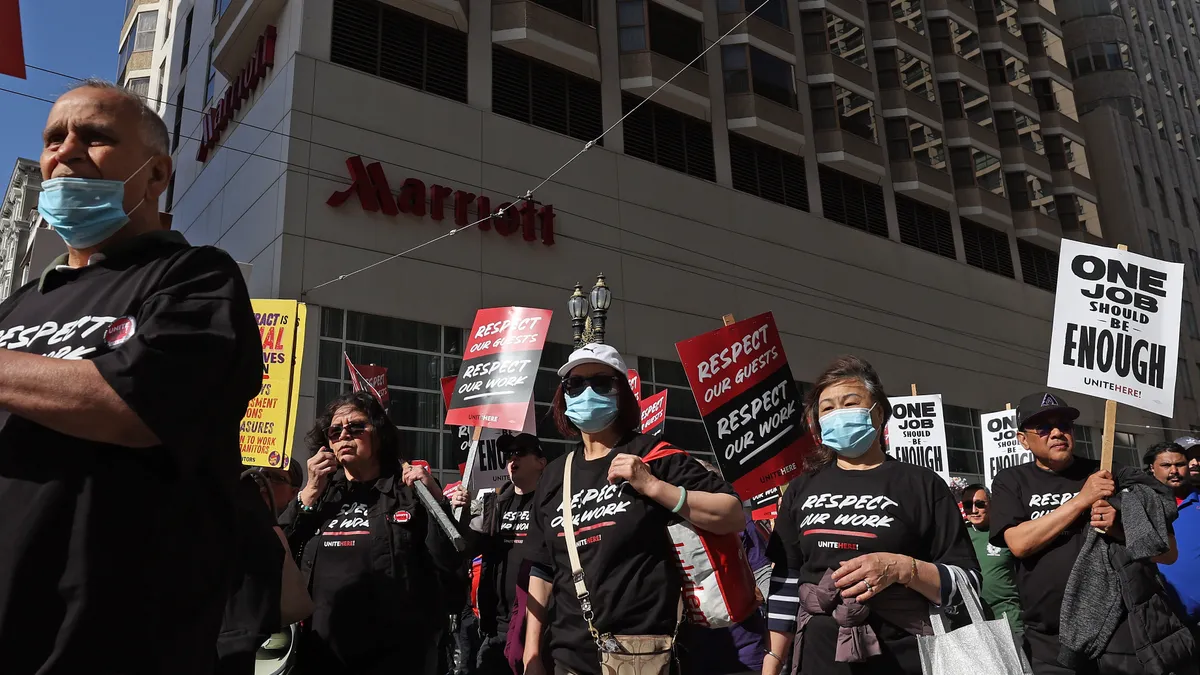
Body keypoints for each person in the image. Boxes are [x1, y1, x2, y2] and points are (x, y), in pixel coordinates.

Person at [0, 79, 261, 672]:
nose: (63, 152)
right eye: (52, 139)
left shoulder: (194, 277)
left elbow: (136, 404)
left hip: (115, 646)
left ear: (156, 174)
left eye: (94, 138)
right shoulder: (15, 307)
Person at [521, 343, 744, 675]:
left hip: (644, 654)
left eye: (600, 382)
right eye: (575, 384)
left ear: (620, 392)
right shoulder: (555, 474)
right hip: (570, 654)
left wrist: (654, 487)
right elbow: (542, 570)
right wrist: (532, 654)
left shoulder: (653, 455)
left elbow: (732, 513)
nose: (586, 392)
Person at [763, 355, 980, 675]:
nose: (838, 414)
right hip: (819, 658)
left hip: (903, 655)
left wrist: (901, 568)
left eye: (850, 403)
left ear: (877, 413)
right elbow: (785, 580)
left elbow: (968, 583)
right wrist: (773, 662)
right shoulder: (801, 488)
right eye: (827, 408)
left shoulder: (921, 485)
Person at [989, 392, 1187, 675]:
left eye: (1064, 425)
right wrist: (1082, 500)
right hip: (1049, 640)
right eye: (1044, 428)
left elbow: (1168, 553)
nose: (1057, 433)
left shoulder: (1111, 474)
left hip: (1119, 633)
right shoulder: (1012, 481)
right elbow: (1020, 544)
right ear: (1023, 439)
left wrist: (1121, 528)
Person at [281, 391, 464, 675]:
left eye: (355, 427)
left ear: (379, 434)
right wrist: (307, 495)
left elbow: (450, 565)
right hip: (324, 654)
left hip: (398, 656)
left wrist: (437, 501)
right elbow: (279, 554)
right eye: (334, 430)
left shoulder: (409, 492)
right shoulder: (321, 494)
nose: (343, 435)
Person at [451, 433, 548, 675]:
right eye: (509, 455)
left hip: (538, 624)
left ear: (541, 462)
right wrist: (461, 513)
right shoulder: (496, 504)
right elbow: (469, 546)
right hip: (497, 625)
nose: (513, 459)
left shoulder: (551, 503)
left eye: (521, 453)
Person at [677, 459, 771, 675]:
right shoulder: (673, 529)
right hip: (693, 653)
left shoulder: (740, 523)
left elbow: (763, 573)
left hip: (747, 648)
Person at [1145, 442, 1200, 628]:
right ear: (1152, 468)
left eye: (1180, 464)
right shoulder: (1140, 506)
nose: (1174, 470)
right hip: (1164, 623)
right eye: (1166, 465)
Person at [960, 483, 1023, 635]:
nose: (974, 510)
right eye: (968, 505)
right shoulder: (959, 535)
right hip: (972, 621)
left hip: (1007, 618)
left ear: (991, 504)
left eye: (980, 504)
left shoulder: (1008, 531)